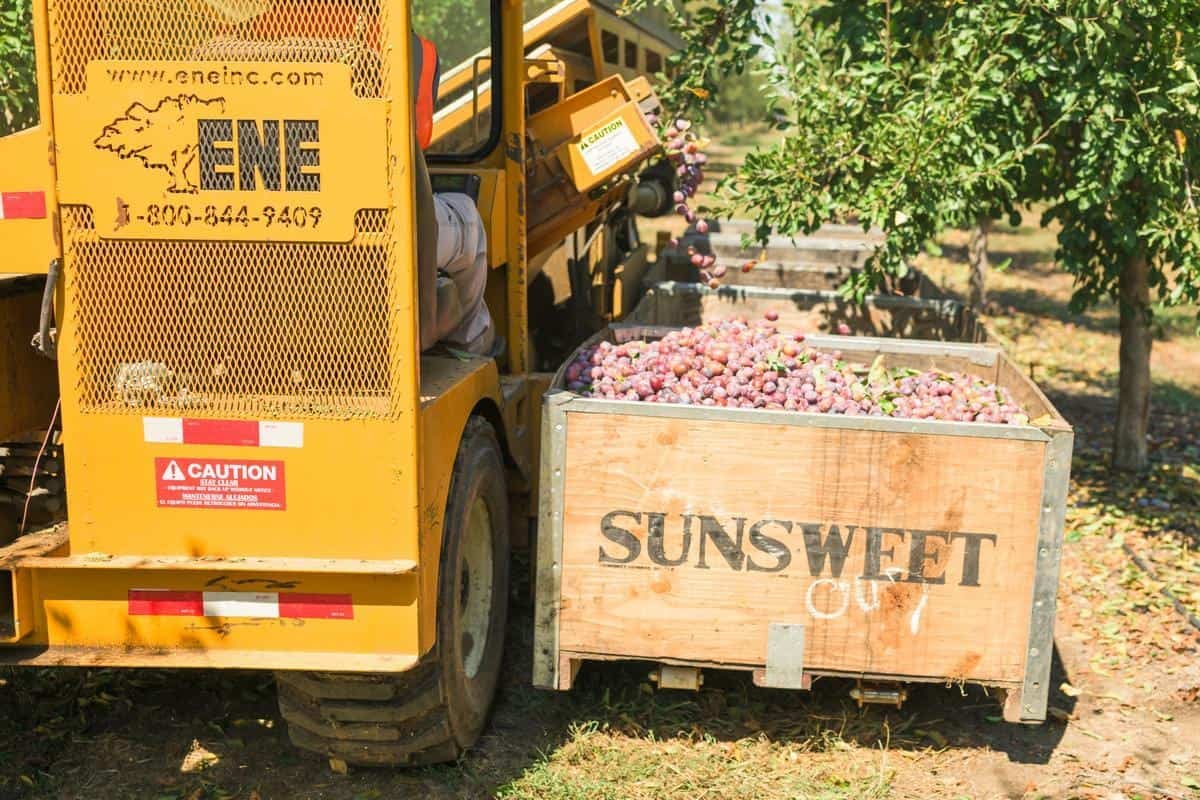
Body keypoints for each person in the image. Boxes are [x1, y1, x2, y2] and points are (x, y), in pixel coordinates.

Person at [413, 33, 495, 356]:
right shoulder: (413, 48)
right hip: (378, 217)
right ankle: (469, 345)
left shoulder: (253, 36)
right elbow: (415, 138)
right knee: (467, 216)